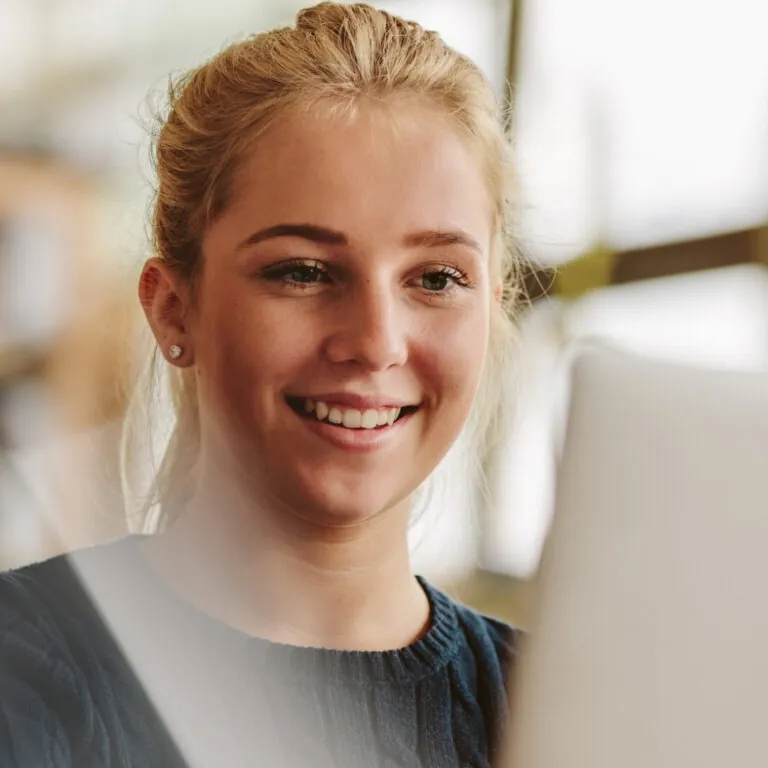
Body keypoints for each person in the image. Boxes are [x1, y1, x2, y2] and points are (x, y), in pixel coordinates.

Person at [0, 3, 524, 766]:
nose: (376, 342)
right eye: (302, 271)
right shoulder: (25, 670)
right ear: (175, 308)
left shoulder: (567, 712)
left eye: (437, 277)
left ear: (493, 310)